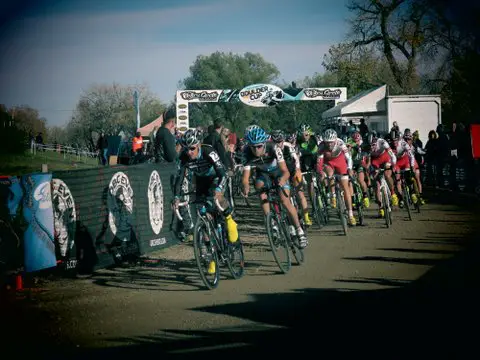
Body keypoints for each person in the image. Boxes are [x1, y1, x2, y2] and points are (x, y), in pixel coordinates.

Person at [173, 129, 239, 274]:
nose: (189, 152)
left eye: (192, 148)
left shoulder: (209, 151)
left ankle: (229, 220)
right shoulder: (184, 157)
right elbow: (179, 179)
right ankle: (211, 256)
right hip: (202, 182)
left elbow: (222, 173)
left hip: (217, 177)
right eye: (187, 149)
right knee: (203, 216)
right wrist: (176, 198)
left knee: (218, 198)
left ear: (198, 146)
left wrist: (219, 189)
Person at [241, 126, 308, 248]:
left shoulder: (273, 147)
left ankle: (299, 230)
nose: (256, 150)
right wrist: (245, 187)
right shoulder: (246, 152)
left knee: (285, 201)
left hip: (278, 172)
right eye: (253, 147)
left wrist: (282, 181)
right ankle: (271, 223)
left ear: (264, 144)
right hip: (263, 174)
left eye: (259, 146)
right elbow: (245, 178)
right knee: (259, 187)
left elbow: (285, 171)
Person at [270, 129, 312, 226]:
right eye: (275, 142)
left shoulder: (288, 146)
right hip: (282, 172)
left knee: (300, 193)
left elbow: (296, 159)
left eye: (280, 142)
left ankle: (306, 217)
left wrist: (297, 170)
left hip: (292, 170)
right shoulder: (271, 149)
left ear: (283, 140)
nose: (278, 144)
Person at [316, 129, 356, 226]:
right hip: (328, 163)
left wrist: (350, 168)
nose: (329, 145)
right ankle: (332, 194)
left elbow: (348, 157)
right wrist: (320, 172)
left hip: (340, 163)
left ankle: (351, 214)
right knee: (329, 175)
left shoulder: (340, 143)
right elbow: (319, 162)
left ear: (335, 140)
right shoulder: (321, 146)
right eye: (327, 143)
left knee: (345, 188)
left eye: (331, 143)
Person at [369, 131, 397, 218]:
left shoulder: (382, 142)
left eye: (373, 145)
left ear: (376, 142)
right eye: (370, 145)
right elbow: (367, 162)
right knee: (377, 185)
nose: (372, 147)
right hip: (375, 161)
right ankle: (380, 207)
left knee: (387, 174)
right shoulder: (367, 147)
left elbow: (392, 155)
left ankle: (392, 193)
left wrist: (393, 165)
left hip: (385, 157)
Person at [347, 131, 370, 208]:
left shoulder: (362, 142)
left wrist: (358, 145)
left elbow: (365, 147)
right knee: (349, 182)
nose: (357, 141)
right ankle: (352, 200)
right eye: (355, 140)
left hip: (359, 163)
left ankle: (365, 196)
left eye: (358, 140)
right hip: (351, 164)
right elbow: (347, 145)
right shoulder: (350, 141)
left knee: (361, 180)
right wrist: (349, 147)